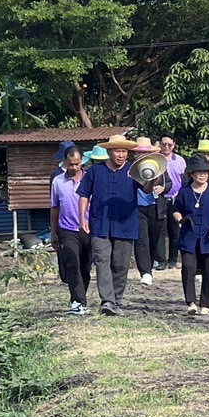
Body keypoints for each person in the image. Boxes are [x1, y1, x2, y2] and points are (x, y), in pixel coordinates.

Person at [78, 134, 140, 317]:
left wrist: (152, 178)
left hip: (126, 224)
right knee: (102, 262)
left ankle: (117, 301)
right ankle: (107, 301)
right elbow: (83, 195)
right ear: (109, 151)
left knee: (120, 265)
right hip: (100, 224)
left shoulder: (133, 171)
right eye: (117, 151)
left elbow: (146, 189)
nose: (121, 155)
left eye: (124, 151)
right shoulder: (94, 172)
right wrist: (82, 218)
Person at [171, 154, 209, 314]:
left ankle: (206, 304)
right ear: (191, 174)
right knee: (188, 267)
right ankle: (191, 302)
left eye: (205, 172)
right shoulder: (185, 191)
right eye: (198, 172)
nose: (202, 175)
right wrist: (179, 219)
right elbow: (176, 210)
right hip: (189, 235)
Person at [50, 145, 90, 315]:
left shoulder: (90, 179)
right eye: (71, 164)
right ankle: (77, 301)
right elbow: (54, 208)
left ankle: (81, 297)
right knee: (72, 264)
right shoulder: (58, 182)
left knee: (85, 267)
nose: (74, 167)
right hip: (66, 229)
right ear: (65, 162)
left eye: (77, 164)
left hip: (88, 229)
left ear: (82, 162)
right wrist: (53, 233)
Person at [130, 137, 171, 287]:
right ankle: (145, 272)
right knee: (142, 240)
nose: (142, 155)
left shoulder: (159, 167)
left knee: (154, 240)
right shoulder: (130, 170)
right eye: (139, 152)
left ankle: (151, 266)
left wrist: (163, 188)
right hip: (137, 209)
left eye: (145, 152)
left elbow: (170, 183)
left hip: (156, 208)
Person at [160, 135, 189, 268]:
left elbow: (185, 180)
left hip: (175, 198)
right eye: (164, 144)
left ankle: (173, 259)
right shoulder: (156, 158)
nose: (166, 147)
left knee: (174, 231)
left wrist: (181, 194)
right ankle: (160, 260)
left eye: (169, 145)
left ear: (174, 145)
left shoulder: (180, 161)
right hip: (159, 198)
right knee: (160, 230)